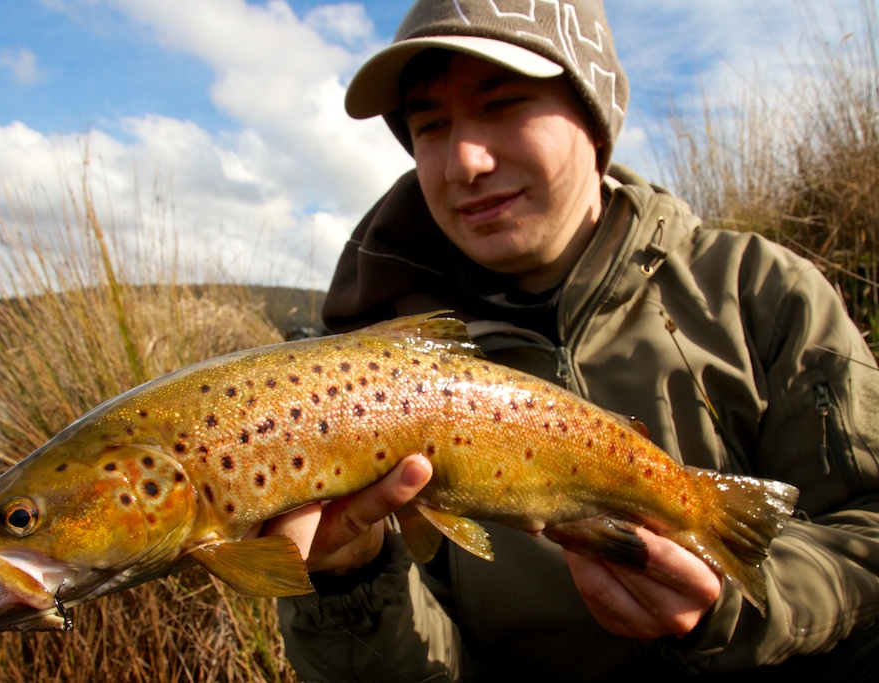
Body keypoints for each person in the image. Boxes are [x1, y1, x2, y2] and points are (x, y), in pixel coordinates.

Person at [257, 1, 879, 680]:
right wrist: (349, 580)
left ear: (594, 115)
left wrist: (732, 610)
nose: (464, 160)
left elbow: (869, 533)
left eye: (502, 104)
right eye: (430, 125)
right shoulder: (360, 380)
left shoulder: (760, 291)